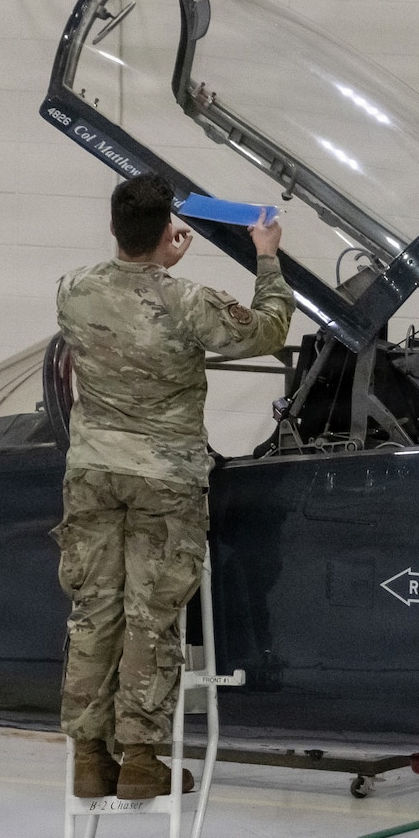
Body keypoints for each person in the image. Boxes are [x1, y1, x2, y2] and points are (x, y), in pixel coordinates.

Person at [54, 173, 293, 799]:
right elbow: (267, 330)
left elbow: (126, 299)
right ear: (168, 232)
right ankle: (139, 759)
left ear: (113, 228)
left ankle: (87, 758)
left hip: (93, 474)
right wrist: (266, 256)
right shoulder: (188, 301)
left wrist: (154, 258)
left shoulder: (73, 291)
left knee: (93, 613)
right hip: (165, 479)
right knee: (150, 618)